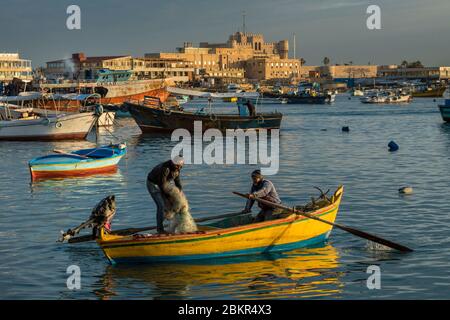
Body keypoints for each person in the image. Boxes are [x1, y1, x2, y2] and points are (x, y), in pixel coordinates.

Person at [146, 156, 184, 233]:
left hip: (164, 184)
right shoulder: (165, 168)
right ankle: (160, 229)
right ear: (173, 163)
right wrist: (168, 197)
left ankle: (173, 225)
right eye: (177, 165)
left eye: (180, 166)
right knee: (161, 205)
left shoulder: (177, 169)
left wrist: (180, 193)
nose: (178, 168)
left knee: (173, 204)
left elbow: (178, 183)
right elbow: (162, 184)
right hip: (153, 184)